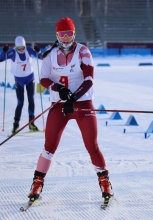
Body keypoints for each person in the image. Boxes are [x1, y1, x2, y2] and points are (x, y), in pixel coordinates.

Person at [27, 17, 114, 204]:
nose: (65, 38)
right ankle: (37, 183)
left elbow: (89, 78)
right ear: (57, 35)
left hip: (82, 103)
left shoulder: (83, 51)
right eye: (62, 34)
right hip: (60, 105)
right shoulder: (50, 55)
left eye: (69, 34)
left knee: (92, 144)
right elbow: (43, 79)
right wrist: (60, 90)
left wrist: (74, 97)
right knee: (49, 145)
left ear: (74, 34)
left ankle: (105, 182)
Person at [0, 36, 42, 134]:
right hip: (19, 80)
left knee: (31, 100)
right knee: (20, 102)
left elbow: (41, 57)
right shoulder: (12, 52)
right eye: (19, 48)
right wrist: (4, 52)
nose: (21, 50)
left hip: (30, 78)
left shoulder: (29, 49)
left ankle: (31, 123)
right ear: (15, 47)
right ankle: (16, 125)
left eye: (23, 48)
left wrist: (38, 51)